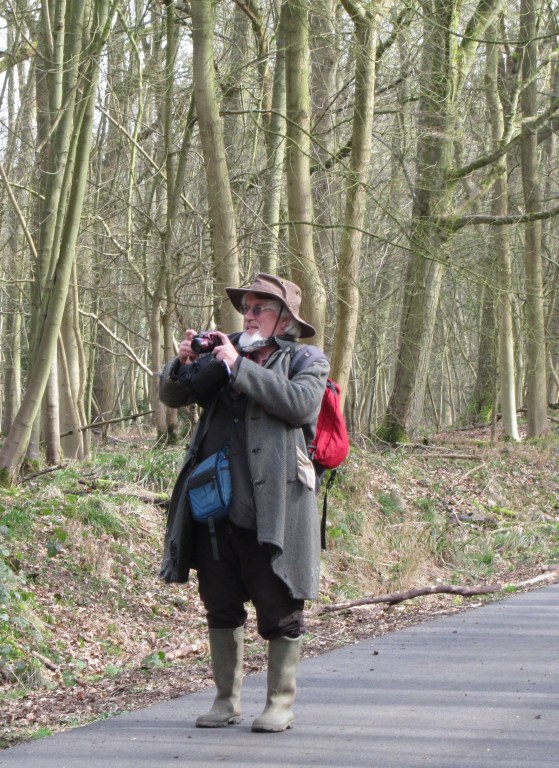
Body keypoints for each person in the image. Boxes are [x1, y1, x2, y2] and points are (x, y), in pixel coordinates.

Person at [158, 273, 329, 732]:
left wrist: (240, 366)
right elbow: (175, 396)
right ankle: (224, 701)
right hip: (213, 508)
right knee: (220, 604)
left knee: (280, 605)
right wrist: (184, 363)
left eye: (258, 309)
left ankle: (279, 704)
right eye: (246, 308)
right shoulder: (227, 352)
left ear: (285, 319)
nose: (248, 316)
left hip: (276, 507)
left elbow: (300, 405)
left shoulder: (306, 359)